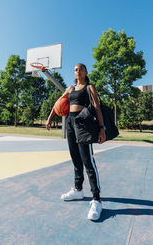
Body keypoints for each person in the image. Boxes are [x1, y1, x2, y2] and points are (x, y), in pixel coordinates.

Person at [46, 63, 106, 221]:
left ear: (86, 72)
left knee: (88, 161)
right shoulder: (70, 88)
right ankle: (78, 190)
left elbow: (97, 107)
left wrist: (102, 128)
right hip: (70, 124)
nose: (77, 71)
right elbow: (58, 103)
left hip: (83, 123)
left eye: (80, 69)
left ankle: (97, 200)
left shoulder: (90, 87)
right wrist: (50, 118)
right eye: (75, 69)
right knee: (75, 159)